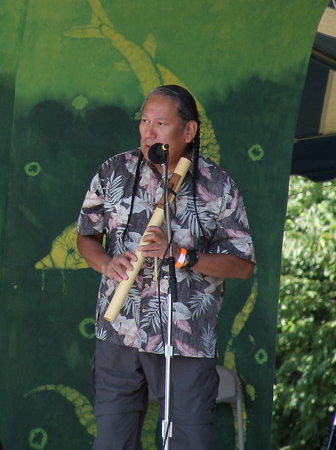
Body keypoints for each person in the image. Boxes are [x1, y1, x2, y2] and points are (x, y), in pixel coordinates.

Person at [75, 85, 255, 450]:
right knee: (112, 441)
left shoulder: (217, 185)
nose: (149, 132)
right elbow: (85, 237)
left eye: (160, 123)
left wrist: (181, 255)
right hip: (118, 332)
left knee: (187, 441)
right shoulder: (114, 171)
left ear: (189, 131)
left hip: (184, 338)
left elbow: (242, 266)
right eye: (144, 121)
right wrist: (107, 263)